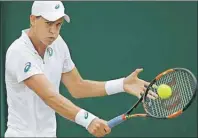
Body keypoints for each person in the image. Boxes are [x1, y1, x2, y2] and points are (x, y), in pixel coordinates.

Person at [4, 1, 158, 137]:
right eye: (48, 23)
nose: (53, 31)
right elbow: (49, 96)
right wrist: (88, 120)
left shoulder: (57, 44)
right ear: (33, 20)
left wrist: (122, 84)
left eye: (58, 24)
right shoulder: (19, 52)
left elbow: (77, 87)